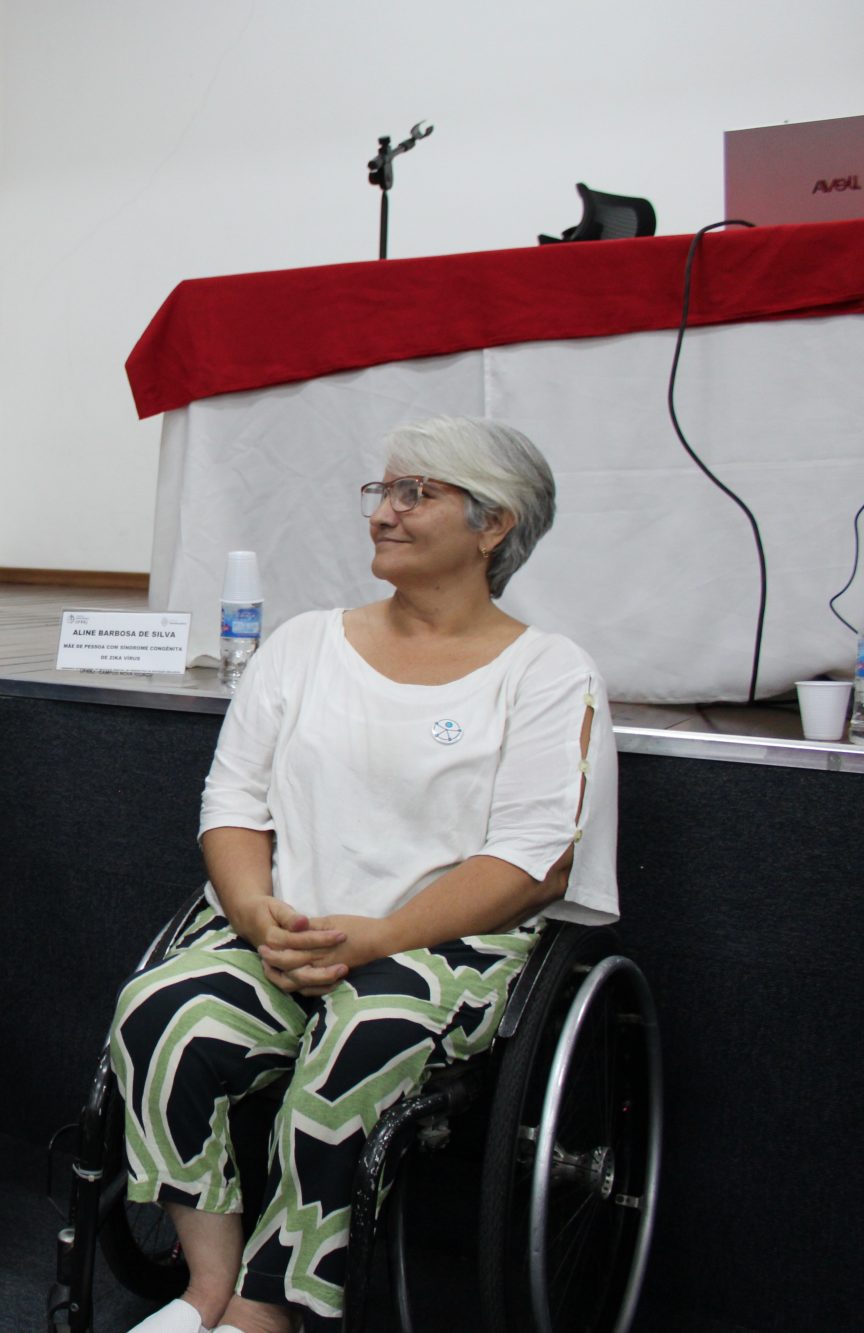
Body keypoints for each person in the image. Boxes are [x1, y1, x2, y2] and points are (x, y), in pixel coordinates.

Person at [112, 417, 618, 1333]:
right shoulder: (303, 645)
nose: (384, 512)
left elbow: (532, 859)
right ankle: (206, 1285)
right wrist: (253, 911)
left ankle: (267, 1309)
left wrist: (379, 936)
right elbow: (233, 803)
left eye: (415, 493)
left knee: (362, 1041)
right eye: (382, 491)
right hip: (285, 931)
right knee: (163, 1012)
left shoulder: (547, 673)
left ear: (495, 524)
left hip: (442, 950)